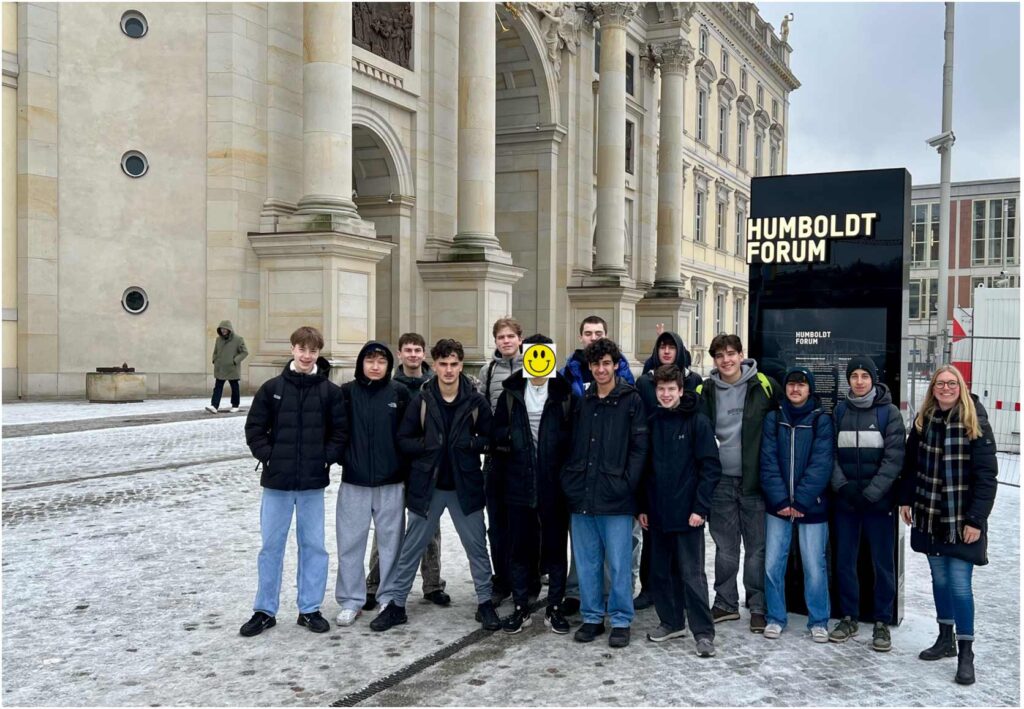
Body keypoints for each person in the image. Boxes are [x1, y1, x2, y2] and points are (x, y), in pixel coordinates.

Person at [371, 339, 501, 633]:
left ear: (460, 365)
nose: (449, 370)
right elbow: (403, 439)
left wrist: (470, 443)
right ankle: (397, 605)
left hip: (464, 487)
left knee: (477, 547)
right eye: (443, 364)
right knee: (412, 547)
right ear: (436, 365)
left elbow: (491, 438)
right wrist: (427, 446)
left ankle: (485, 602)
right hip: (428, 486)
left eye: (454, 364)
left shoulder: (475, 401)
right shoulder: (424, 399)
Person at [239, 326, 347, 637]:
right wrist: (268, 455)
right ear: (292, 350)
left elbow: (339, 432)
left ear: (318, 353)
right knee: (271, 547)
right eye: (302, 349)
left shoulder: (329, 392)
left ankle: (309, 608)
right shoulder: (272, 388)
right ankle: (264, 609)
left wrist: (325, 457)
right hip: (277, 484)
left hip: (312, 483)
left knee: (313, 546)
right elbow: (254, 428)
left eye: (312, 350)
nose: (306, 355)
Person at [900, 364, 998, 686]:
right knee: (939, 581)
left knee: (959, 584)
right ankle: (946, 639)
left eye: (951, 383)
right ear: (933, 388)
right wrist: (905, 499)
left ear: (960, 386)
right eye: (940, 383)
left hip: (961, 520)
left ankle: (966, 652)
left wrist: (976, 520)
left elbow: (986, 477)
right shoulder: (923, 421)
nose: (945, 388)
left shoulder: (975, 420)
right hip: (930, 515)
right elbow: (910, 465)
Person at [561, 338, 647, 648]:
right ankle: (592, 616)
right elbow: (570, 446)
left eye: (606, 363)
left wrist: (626, 485)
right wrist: (569, 480)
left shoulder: (631, 400)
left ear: (615, 365)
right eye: (595, 364)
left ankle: (621, 618)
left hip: (617, 497)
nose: (600, 369)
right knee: (587, 561)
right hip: (583, 494)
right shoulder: (583, 401)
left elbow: (639, 449)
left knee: (619, 563)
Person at [491, 334, 576, 635]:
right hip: (518, 481)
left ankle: (554, 606)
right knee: (520, 548)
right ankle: (520, 606)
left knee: (555, 548)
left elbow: (573, 440)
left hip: (554, 485)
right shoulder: (511, 394)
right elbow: (497, 432)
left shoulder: (565, 395)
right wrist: (508, 442)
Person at [698, 333, 780, 633]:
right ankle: (725, 603)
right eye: (719, 356)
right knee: (725, 547)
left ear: (741, 354)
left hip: (754, 482)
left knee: (757, 548)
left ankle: (757, 606)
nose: (726, 360)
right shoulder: (705, 390)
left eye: (731, 354)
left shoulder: (763, 386)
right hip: (720, 482)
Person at [639, 365, 721, 657]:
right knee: (660, 573)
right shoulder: (652, 421)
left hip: (689, 515)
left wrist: (701, 507)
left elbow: (710, 468)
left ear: (680, 390)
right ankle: (671, 621)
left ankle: (703, 632)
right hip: (658, 514)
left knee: (691, 575)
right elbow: (645, 471)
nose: (665, 394)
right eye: (661, 389)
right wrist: (643, 507)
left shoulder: (697, 423)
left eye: (671, 389)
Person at [365, 332, 449, 610]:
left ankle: (433, 584)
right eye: (408, 350)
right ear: (399, 354)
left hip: (426, 468)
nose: (413, 355)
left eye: (417, 350)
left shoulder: (435, 382)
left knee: (429, 528)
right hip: (395, 466)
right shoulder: (389, 385)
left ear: (424, 354)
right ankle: (374, 584)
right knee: (386, 530)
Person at [829, 355, 906, 651]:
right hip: (847, 501)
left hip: (878, 503)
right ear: (848, 379)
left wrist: (873, 492)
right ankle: (848, 616)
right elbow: (830, 453)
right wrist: (843, 487)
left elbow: (894, 458)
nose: (859, 381)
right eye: (854, 375)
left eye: (864, 375)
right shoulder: (839, 412)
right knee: (845, 561)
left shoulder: (889, 414)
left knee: (882, 563)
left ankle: (881, 621)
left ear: (873, 379)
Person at [333, 341, 411, 627]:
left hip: (391, 482)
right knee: (350, 542)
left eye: (381, 361)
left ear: (388, 365)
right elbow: (337, 431)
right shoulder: (346, 393)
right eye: (370, 360)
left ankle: (388, 595)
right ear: (361, 363)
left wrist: (402, 467)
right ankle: (351, 600)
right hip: (354, 481)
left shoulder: (399, 393)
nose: (375, 366)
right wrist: (344, 459)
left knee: (391, 543)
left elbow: (408, 433)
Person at [759, 367, 834, 642]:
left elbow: (822, 462)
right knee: (772, 564)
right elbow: (767, 460)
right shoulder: (773, 418)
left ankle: (818, 620)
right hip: (777, 507)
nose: (795, 389)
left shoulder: (821, 420)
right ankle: (776, 617)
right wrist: (780, 499)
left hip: (811, 506)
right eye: (791, 384)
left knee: (814, 565)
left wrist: (801, 499)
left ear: (810, 389)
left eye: (801, 385)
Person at [633, 330, 702, 610]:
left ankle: (683, 595)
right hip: (654, 455)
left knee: (684, 548)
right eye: (661, 346)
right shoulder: (644, 382)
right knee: (653, 542)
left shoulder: (693, 381)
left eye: (671, 347)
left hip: (682, 456)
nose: (665, 351)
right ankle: (651, 589)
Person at [477, 317, 525, 607]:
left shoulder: (533, 364)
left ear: (520, 338)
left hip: (524, 458)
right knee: (496, 524)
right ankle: (502, 579)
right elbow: (482, 408)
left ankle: (525, 577)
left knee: (523, 523)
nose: (506, 341)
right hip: (496, 457)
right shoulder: (488, 370)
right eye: (501, 337)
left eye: (510, 336)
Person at [561, 315, 636, 398]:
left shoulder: (622, 368)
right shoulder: (567, 372)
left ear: (606, 336)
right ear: (580, 338)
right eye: (588, 334)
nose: (593, 338)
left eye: (598, 333)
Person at [207, 320, 248, 413]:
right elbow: (215, 352)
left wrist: (234, 361)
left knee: (234, 387)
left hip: (232, 368)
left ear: (229, 329)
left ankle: (235, 405)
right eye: (221, 329)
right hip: (220, 368)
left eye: (225, 329)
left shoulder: (238, 339)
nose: (223, 330)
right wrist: (214, 359)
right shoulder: (218, 339)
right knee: (218, 387)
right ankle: (214, 406)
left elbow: (245, 352)